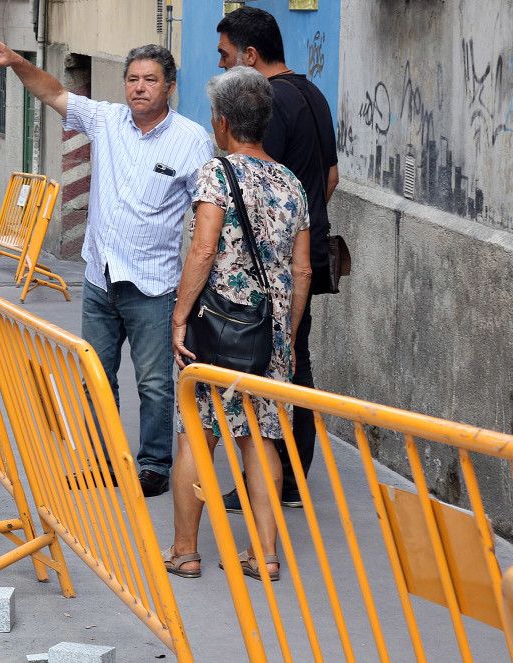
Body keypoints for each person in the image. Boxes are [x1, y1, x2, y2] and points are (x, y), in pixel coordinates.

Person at [0, 38, 213, 497]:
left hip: (153, 285)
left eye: (150, 80)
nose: (139, 88)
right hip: (101, 279)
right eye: (132, 79)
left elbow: (207, 215)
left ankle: (154, 466)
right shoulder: (106, 121)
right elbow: (52, 92)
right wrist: (21, 63)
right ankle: (103, 461)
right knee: (94, 378)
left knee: (156, 383)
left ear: (170, 87)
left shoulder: (191, 142)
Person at [164, 66, 312, 582]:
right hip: (269, 335)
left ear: (223, 122)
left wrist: (179, 316)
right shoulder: (291, 183)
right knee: (261, 438)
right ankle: (263, 555)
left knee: (196, 436)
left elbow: (204, 249)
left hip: (217, 329)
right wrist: (287, 338)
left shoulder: (216, 174)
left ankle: (185, 551)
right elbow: (302, 270)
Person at [215, 6, 338, 512]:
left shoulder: (265, 103)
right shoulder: (313, 94)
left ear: (250, 54)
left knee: (261, 369)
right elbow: (329, 178)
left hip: (269, 269)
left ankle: (268, 479)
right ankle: (289, 479)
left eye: (226, 57)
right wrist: (303, 233)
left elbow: (256, 181)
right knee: (295, 362)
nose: (222, 68)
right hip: (305, 255)